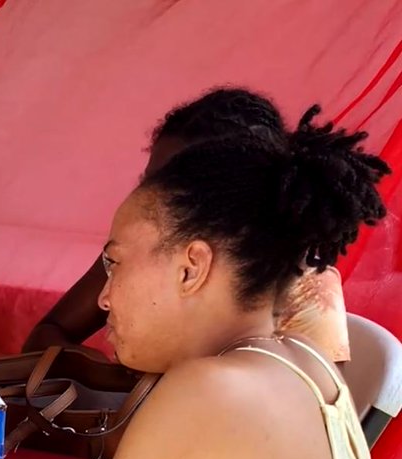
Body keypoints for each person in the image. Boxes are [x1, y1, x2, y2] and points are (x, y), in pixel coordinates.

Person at [0, 107, 396, 459]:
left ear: (191, 268)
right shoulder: (302, 359)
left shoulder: (210, 394)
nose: (106, 297)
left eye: (115, 264)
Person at [23, 88, 352, 367]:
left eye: (174, 183)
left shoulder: (306, 292)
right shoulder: (138, 254)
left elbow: (311, 423)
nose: (151, 198)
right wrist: (119, 382)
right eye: (149, 181)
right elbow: (46, 336)